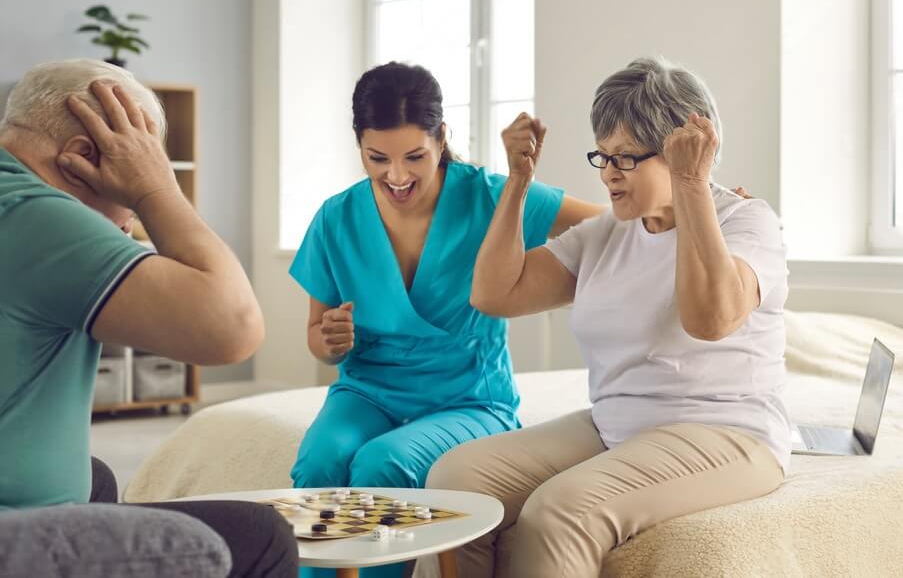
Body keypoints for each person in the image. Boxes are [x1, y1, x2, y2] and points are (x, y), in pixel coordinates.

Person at [425, 57, 791, 577]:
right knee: (455, 480)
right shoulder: (608, 232)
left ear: (683, 150)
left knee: (559, 511)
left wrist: (692, 186)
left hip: (728, 432)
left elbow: (711, 318)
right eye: (604, 156)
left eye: (626, 159)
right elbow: (495, 294)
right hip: (616, 426)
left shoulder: (747, 221)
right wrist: (518, 183)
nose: (610, 175)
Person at [287, 61, 604, 578]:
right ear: (359, 146)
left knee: (381, 464)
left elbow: (612, 224)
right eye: (377, 158)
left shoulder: (489, 196)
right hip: (367, 392)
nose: (397, 176)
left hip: (469, 400)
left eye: (415, 156)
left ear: (442, 138)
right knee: (322, 459)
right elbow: (317, 342)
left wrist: (707, 205)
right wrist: (329, 342)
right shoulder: (336, 217)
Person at [0, 59, 297, 576]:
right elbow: (232, 328)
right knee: (263, 535)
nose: (130, 223)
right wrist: (156, 188)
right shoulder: (35, 214)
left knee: (95, 480)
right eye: (139, 158)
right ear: (82, 157)